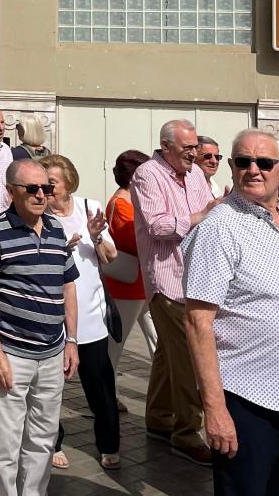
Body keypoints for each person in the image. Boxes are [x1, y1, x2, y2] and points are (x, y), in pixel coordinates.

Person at [182, 130, 279, 496]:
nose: (253, 170)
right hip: (248, 398)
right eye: (243, 162)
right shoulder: (219, 227)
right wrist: (215, 410)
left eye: (263, 162)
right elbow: (198, 321)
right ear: (231, 167)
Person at [0, 159, 80, 496]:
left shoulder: (55, 229)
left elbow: (68, 286)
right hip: (11, 354)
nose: (40, 195)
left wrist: (72, 341)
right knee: (5, 442)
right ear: (10, 192)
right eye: (31, 189)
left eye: (46, 188)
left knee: (42, 439)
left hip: (52, 352)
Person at [131, 118, 218, 464]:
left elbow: (209, 213)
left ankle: (158, 418)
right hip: (168, 280)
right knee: (188, 359)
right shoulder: (147, 174)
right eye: (187, 148)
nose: (194, 154)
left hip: (197, 277)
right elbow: (157, 224)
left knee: (168, 354)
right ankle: (186, 433)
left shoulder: (196, 173)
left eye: (196, 147)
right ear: (166, 146)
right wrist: (200, 215)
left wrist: (219, 208)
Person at [43, 154, 121, 472]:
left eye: (51, 184)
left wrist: (95, 234)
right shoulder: (39, 216)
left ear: (68, 183)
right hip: (52, 318)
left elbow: (110, 257)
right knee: (51, 390)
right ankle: (52, 443)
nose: (44, 190)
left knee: (100, 387)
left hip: (90, 316)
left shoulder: (90, 207)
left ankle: (109, 444)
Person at [102, 149, 159, 387]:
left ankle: (167, 388)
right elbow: (136, 243)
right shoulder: (121, 204)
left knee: (160, 341)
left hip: (140, 284)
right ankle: (105, 396)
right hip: (128, 286)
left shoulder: (129, 202)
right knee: (115, 346)